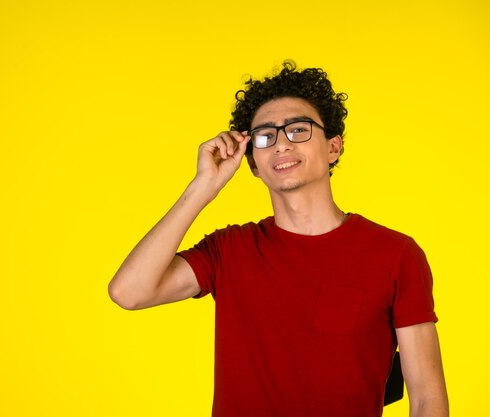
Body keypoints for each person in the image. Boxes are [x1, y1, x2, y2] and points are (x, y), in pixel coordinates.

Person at [108, 60, 448, 417]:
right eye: (265, 136)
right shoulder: (229, 250)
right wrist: (203, 188)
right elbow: (129, 292)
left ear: (333, 148)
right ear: (253, 163)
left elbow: (427, 398)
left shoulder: (395, 254)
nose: (281, 145)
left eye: (298, 129)